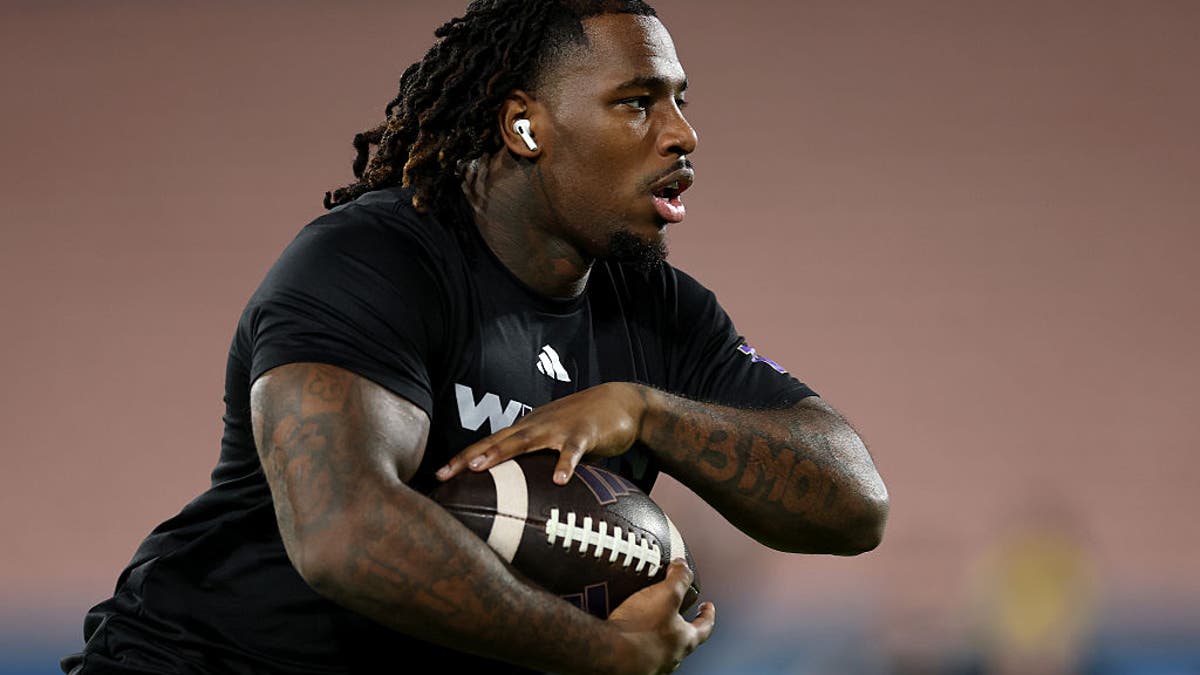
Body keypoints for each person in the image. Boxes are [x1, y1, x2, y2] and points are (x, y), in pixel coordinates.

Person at [62, 1, 889, 673]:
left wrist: (646, 412)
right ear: (525, 129)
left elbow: (857, 503)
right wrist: (600, 653)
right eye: (637, 102)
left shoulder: (655, 312)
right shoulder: (375, 260)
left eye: (679, 99)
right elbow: (343, 532)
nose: (682, 135)